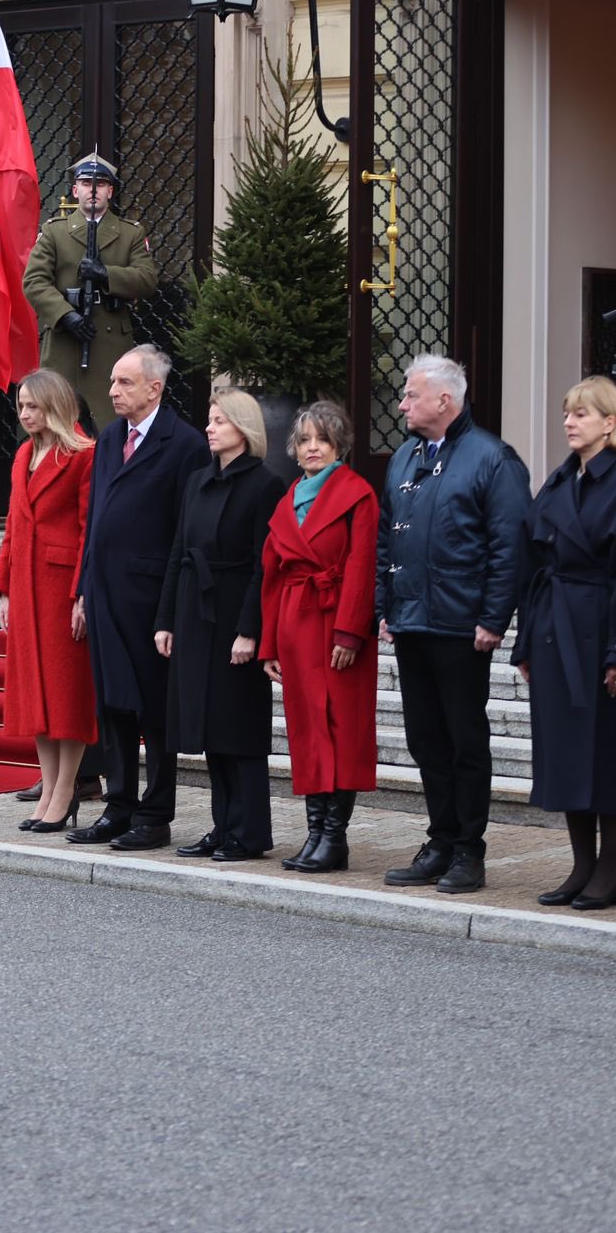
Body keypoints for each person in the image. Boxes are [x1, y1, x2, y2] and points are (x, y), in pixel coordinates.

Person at [376, 355, 531, 893]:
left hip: (462, 626)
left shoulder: (492, 458)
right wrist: (385, 607)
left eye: (411, 394)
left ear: (445, 400)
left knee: (465, 738)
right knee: (425, 737)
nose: (401, 403)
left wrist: (494, 618)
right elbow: (385, 540)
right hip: (413, 621)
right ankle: (440, 840)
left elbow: (509, 547)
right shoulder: (403, 458)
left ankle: (469, 849)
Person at [512, 378, 616, 910]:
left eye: (582, 415)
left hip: (598, 624)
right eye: (567, 414)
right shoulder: (559, 479)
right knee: (566, 754)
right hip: (554, 623)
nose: (570, 422)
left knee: (604, 753)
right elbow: (532, 560)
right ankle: (581, 865)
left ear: (610, 422)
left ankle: (610, 870)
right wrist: (525, 639)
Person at [68, 345, 209, 851]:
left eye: (124, 382)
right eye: (112, 381)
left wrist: (172, 609)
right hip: (104, 594)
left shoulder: (184, 444)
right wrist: (82, 590)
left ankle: (156, 813)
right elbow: (96, 523)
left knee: (154, 711)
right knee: (114, 706)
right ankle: (119, 804)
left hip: (151, 599)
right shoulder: (108, 439)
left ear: (155, 388)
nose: (111, 391)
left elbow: (183, 531)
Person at [153, 389, 285, 862]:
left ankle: (248, 832)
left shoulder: (265, 485)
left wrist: (251, 630)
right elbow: (177, 551)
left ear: (243, 429)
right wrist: (165, 619)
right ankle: (221, 826)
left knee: (238, 727)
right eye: (209, 420)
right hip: (195, 612)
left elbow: (262, 565)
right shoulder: (196, 481)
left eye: (219, 421)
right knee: (208, 726)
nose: (208, 428)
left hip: (233, 614)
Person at [259, 401, 379, 874]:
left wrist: (351, 632)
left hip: (334, 627)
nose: (312, 448)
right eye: (305, 440)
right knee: (307, 730)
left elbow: (362, 566)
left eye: (322, 440)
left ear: (339, 446)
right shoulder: (288, 498)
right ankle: (315, 833)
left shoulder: (358, 494)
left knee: (339, 728)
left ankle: (335, 837)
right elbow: (271, 576)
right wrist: (268, 643)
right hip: (294, 624)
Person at [0, 370, 96, 834]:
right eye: (21, 407)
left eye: (32, 405)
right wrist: (5, 590)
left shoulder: (83, 455)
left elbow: (90, 529)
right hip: (27, 586)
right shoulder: (23, 455)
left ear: (54, 404)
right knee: (34, 693)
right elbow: (13, 526)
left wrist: (82, 594)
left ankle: (66, 790)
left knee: (66, 695)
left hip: (60, 589)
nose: (25, 414)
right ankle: (49, 787)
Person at [23, 153, 160, 431]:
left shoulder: (129, 233)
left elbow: (147, 280)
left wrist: (105, 274)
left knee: (109, 422)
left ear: (110, 191)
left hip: (108, 341)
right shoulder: (54, 233)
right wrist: (65, 316)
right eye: (86, 183)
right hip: (65, 337)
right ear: (75, 190)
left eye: (100, 184)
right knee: (58, 421)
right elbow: (34, 281)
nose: (93, 189)